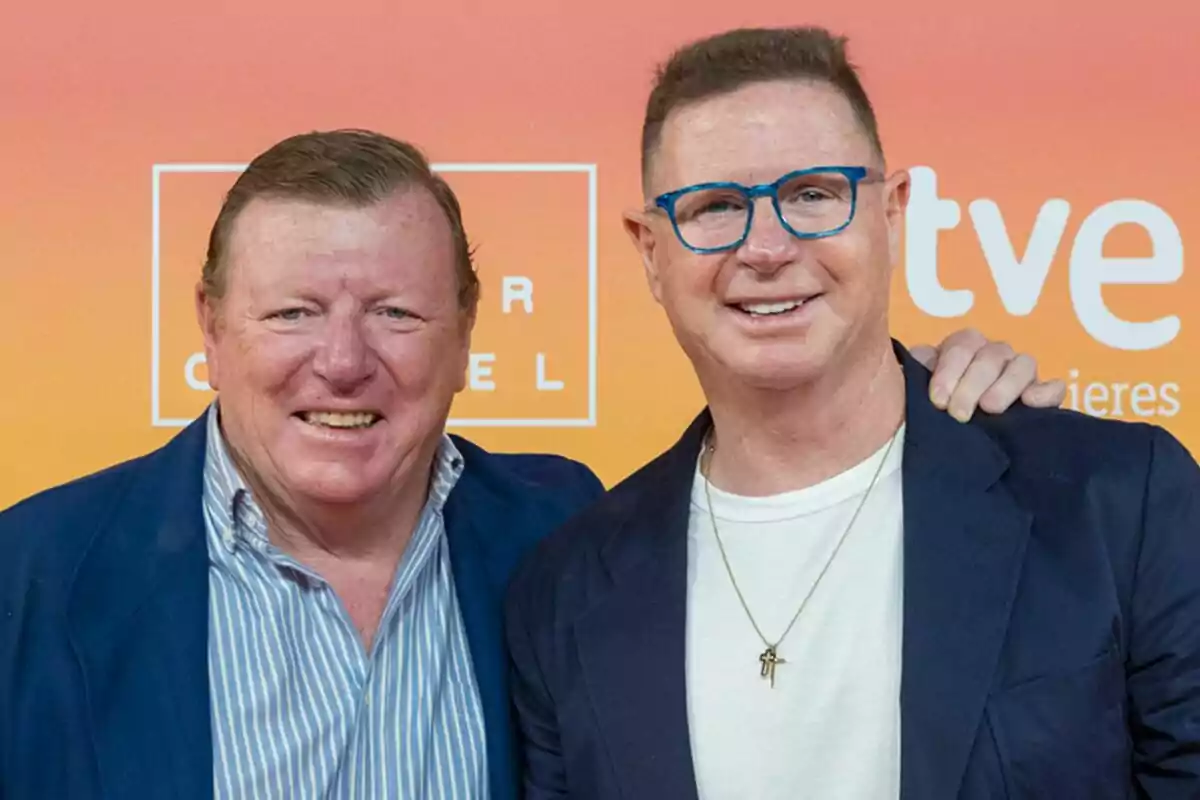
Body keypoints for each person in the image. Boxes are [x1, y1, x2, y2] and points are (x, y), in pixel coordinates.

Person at [0, 130, 1056, 800]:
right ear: (210, 326)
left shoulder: (565, 534)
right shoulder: (33, 575)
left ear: (466, 336)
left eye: (397, 313)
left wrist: (926, 399)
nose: (342, 359)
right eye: (292, 312)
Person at [504, 26, 1200, 800]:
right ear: (649, 252)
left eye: (811, 194)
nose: (765, 246)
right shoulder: (564, 587)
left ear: (893, 215)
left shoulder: (1117, 500)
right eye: (714, 206)